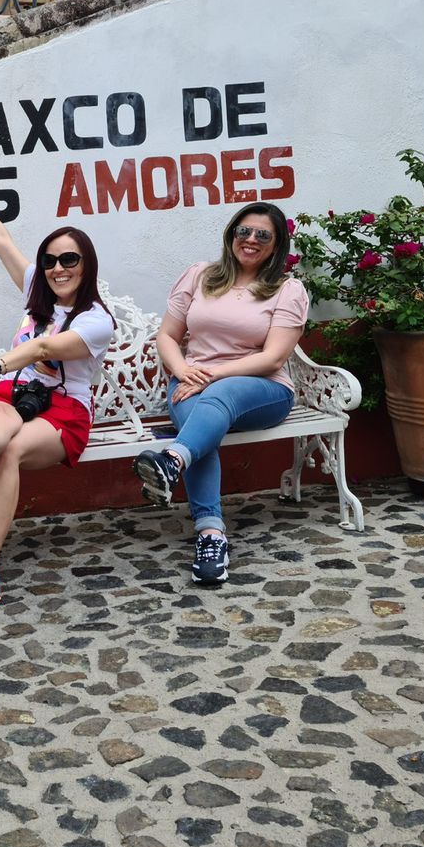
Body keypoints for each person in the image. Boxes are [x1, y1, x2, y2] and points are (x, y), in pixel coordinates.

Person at [0, 156, 115, 622]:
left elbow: (43, 349)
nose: (58, 268)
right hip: (16, 394)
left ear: (86, 265)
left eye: (69, 260)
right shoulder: (34, 288)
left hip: (63, 411)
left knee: (8, 451)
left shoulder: (97, 320)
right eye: (51, 260)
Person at [133, 202, 309, 586]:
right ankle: (211, 537)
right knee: (203, 432)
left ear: (276, 245)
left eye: (263, 235)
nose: (251, 240)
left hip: (262, 390)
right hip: (191, 382)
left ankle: (172, 459)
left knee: (219, 398)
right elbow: (167, 336)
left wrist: (209, 374)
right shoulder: (200, 276)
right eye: (244, 231)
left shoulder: (286, 289)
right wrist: (182, 370)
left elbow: (272, 357)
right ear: (231, 235)